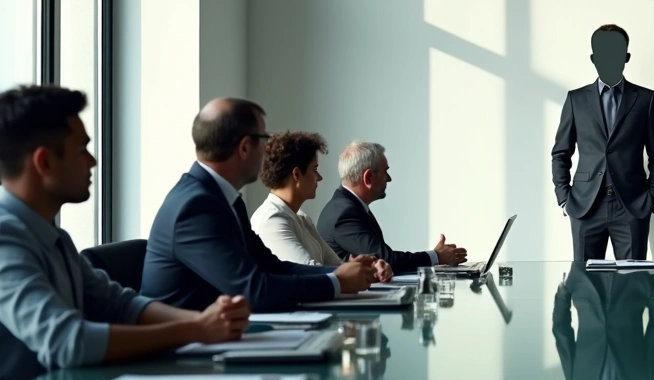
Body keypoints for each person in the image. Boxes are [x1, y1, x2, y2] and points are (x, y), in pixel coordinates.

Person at [0, 86, 251, 380]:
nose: (92, 161)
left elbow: (120, 305)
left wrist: (206, 321)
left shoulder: (55, 237)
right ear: (45, 163)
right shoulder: (5, 238)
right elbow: (68, 342)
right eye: (82, 149)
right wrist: (195, 329)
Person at [142, 98, 378, 312]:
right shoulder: (196, 207)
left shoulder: (224, 199)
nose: (268, 150)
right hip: (179, 350)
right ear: (245, 147)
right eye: (264, 139)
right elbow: (253, 291)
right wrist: (336, 282)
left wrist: (341, 273)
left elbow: (273, 267)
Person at [551, 24, 654, 260]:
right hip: (585, 206)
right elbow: (561, 154)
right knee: (585, 289)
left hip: (632, 206)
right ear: (593, 58)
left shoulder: (646, 99)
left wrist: (652, 198)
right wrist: (564, 198)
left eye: (615, 52)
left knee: (633, 286)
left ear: (626, 57)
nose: (609, 59)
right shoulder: (576, 99)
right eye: (602, 53)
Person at [251, 132, 391, 280]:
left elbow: (336, 265)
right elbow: (310, 274)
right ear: (297, 174)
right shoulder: (271, 220)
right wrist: (357, 270)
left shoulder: (302, 218)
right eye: (315, 169)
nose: (319, 177)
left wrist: (367, 268)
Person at [317, 141, 466, 272]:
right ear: (368, 178)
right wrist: (436, 256)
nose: (389, 178)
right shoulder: (345, 213)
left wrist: (436, 256)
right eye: (385, 172)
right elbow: (386, 259)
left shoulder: (347, 206)